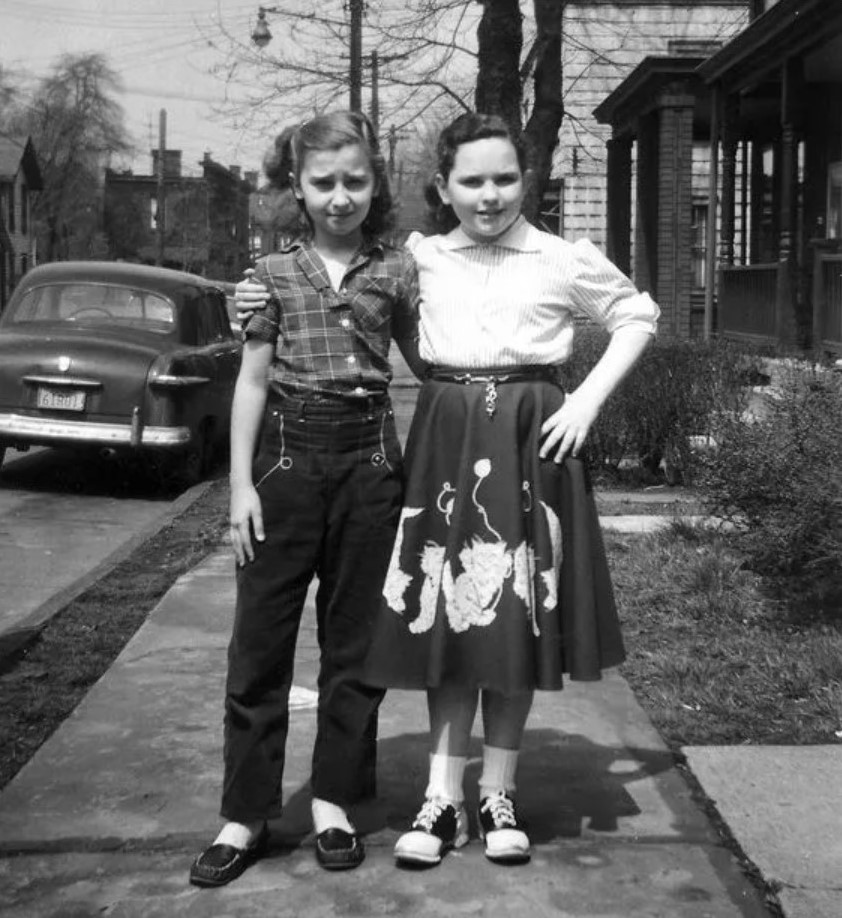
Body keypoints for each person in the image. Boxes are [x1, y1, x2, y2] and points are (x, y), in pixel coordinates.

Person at [235, 111, 659, 870]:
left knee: (515, 613)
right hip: (448, 440)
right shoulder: (420, 258)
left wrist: (586, 402)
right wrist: (250, 297)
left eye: (504, 178)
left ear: (526, 180)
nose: (489, 195)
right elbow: (344, 280)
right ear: (443, 186)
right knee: (449, 612)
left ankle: (498, 789)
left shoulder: (561, 256)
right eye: (472, 180)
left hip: (532, 437)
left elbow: (636, 314)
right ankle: (441, 795)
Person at [189, 110, 423, 888]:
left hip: (369, 465)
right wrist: (240, 488)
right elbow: (251, 382)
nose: (340, 196)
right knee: (260, 645)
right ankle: (245, 814)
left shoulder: (397, 270)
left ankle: (334, 802)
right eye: (323, 182)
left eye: (355, 180)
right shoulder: (270, 274)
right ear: (297, 187)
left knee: (354, 648)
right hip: (286, 463)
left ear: (375, 183)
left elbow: (431, 361)